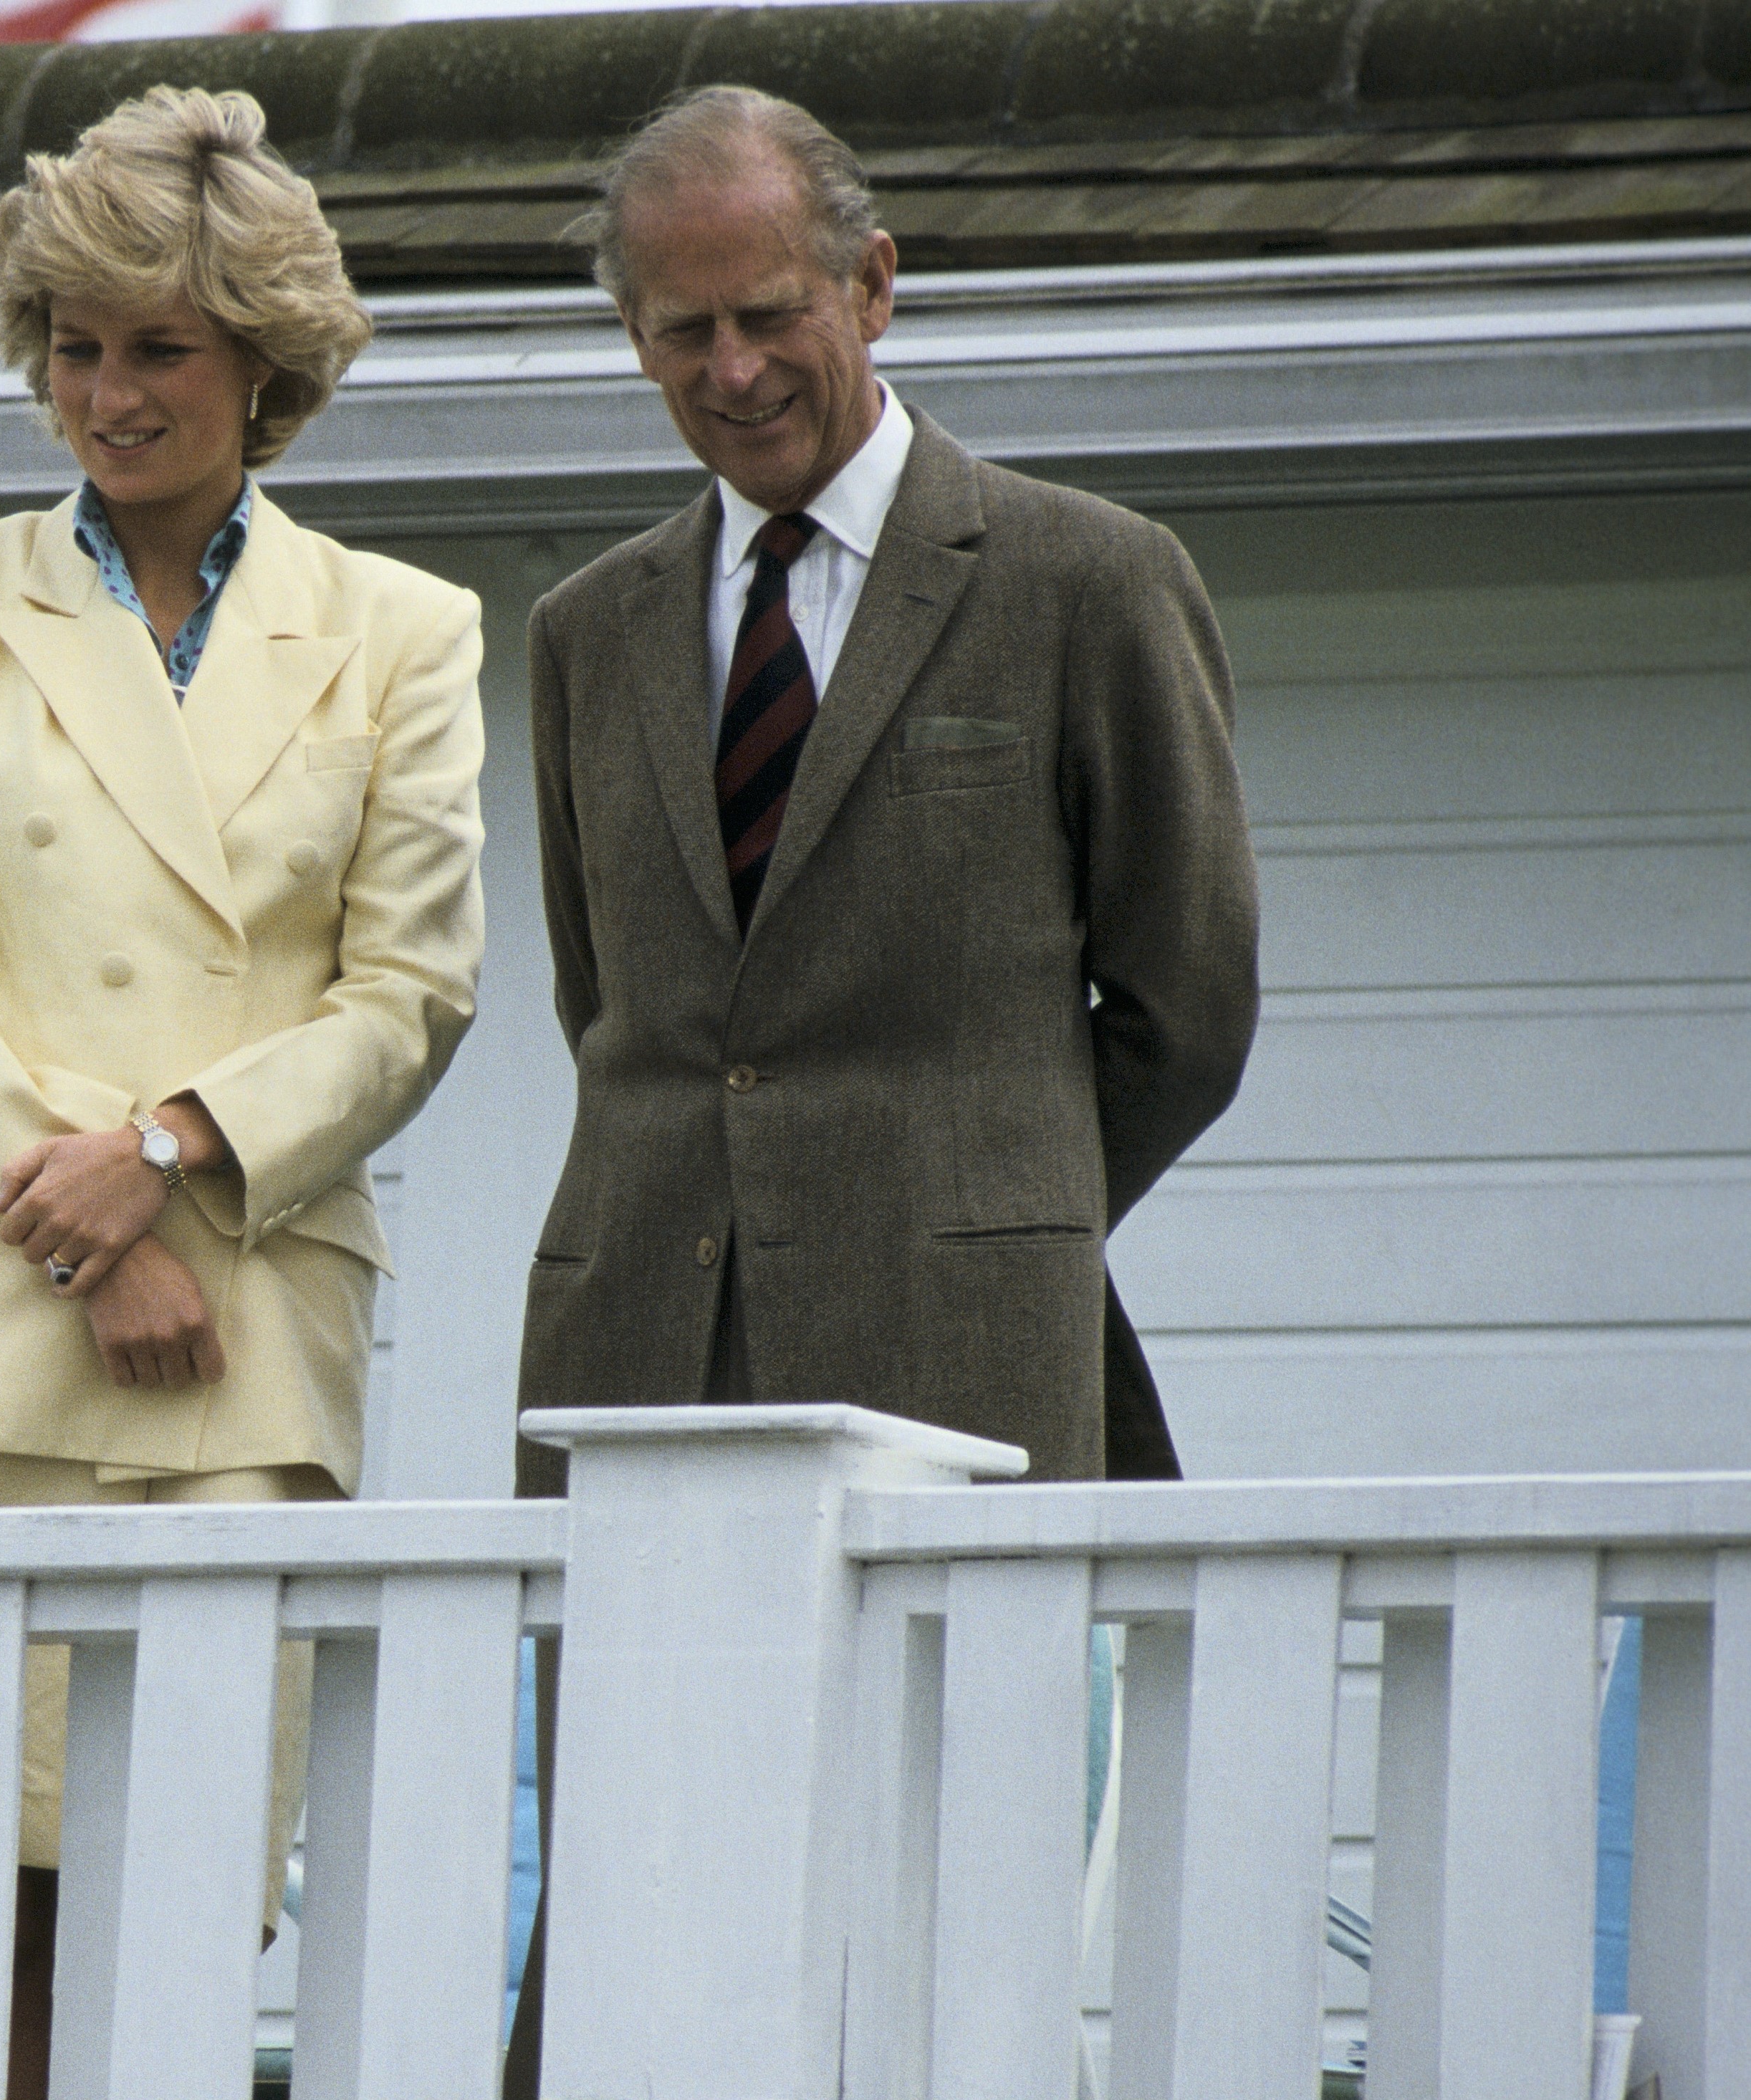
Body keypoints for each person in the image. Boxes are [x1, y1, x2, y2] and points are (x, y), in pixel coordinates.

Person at [501, 86, 1259, 2096]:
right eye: (683, 333)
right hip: (639, 1352)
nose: (734, 370)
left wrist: (986, 1189)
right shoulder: (585, 637)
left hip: (968, 1365)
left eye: (768, 314)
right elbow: (629, 1007)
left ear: (874, 282)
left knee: (946, 1943)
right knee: (642, 1931)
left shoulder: (1088, 579)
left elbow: (1187, 998)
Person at [0, 84, 484, 2100]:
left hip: (249, 1317)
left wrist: (171, 1155)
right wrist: (78, 1216)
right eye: (74, 344)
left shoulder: (401, 631)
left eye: (160, 347)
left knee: (182, 1892)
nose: (108, 393)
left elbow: (414, 993)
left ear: (265, 363)